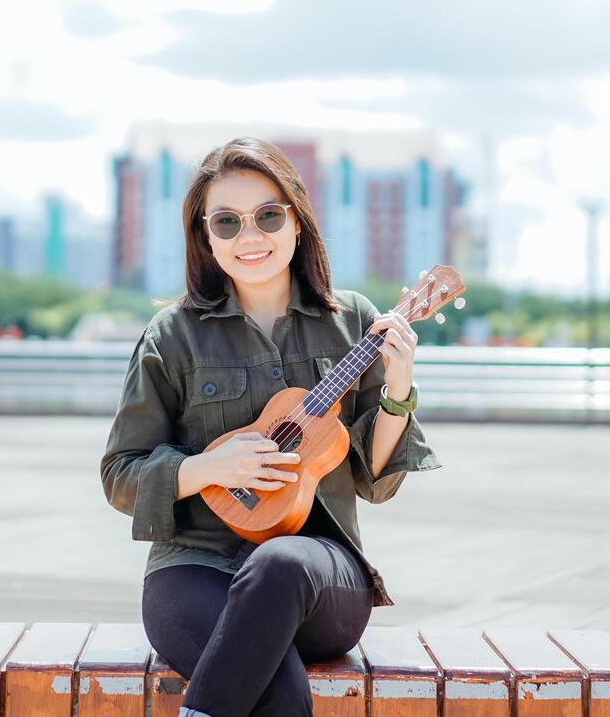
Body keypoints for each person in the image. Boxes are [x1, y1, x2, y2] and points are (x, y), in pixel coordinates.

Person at [100, 137, 441, 717]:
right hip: (196, 566)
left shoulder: (353, 321)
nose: (249, 236)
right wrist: (205, 468)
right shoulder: (172, 336)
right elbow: (120, 475)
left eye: (267, 216)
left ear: (298, 222)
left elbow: (375, 481)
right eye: (227, 222)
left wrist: (399, 388)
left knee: (277, 564)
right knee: (277, 690)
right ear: (206, 238)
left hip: (314, 573)